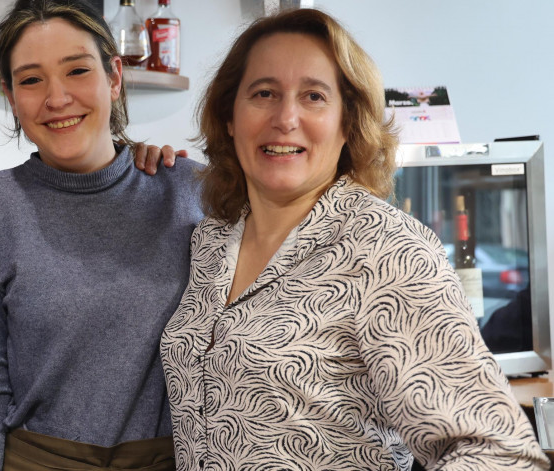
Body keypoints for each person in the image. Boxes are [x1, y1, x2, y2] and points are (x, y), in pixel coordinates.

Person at [159, 8, 549, 470]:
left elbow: (495, 450)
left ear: (348, 122)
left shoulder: (388, 250)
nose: (285, 118)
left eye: (313, 97)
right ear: (228, 117)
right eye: (264, 93)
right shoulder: (211, 240)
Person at [0, 1, 204, 470]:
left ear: (115, 76)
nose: (57, 97)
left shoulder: (189, 190)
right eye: (30, 79)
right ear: (10, 94)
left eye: (77, 70)